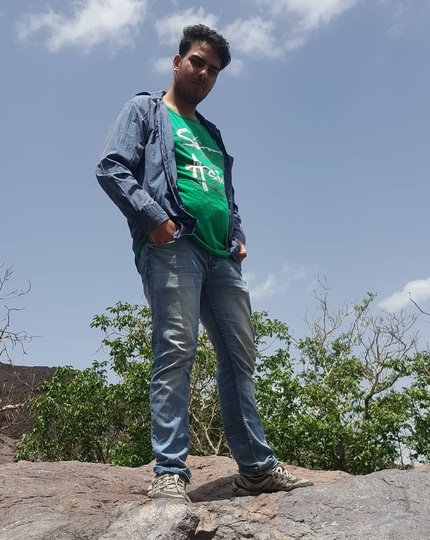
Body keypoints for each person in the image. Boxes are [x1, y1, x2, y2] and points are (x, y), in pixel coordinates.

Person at [96, 24, 313, 503]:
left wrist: (238, 234)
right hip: (173, 245)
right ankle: (170, 472)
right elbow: (111, 166)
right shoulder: (145, 111)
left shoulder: (212, 132)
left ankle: (256, 470)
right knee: (176, 350)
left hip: (221, 257)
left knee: (240, 358)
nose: (204, 74)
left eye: (214, 70)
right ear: (177, 62)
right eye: (197, 62)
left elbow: (222, 191)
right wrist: (153, 217)